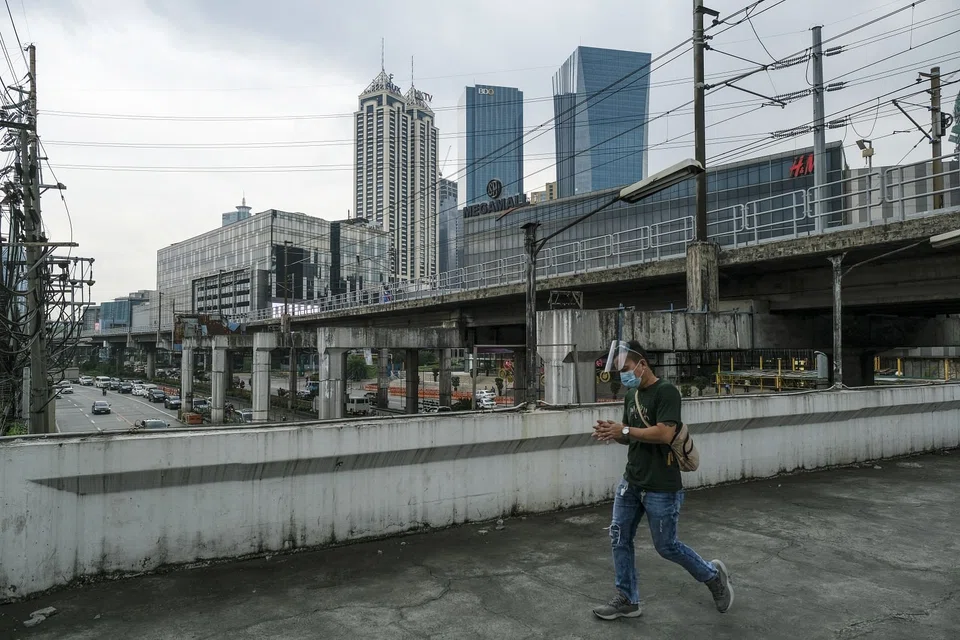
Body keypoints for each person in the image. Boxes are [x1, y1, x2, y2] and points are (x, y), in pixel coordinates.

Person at [591, 340, 733, 620]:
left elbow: (664, 433)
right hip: (632, 481)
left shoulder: (666, 392)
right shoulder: (631, 396)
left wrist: (625, 430)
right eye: (620, 371)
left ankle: (712, 576)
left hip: (661, 487)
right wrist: (613, 432)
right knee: (619, 537)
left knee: (667, 546)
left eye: (627, 368)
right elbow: (630, 436)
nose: (624, 375)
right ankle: (628, 599)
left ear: (642, 365)